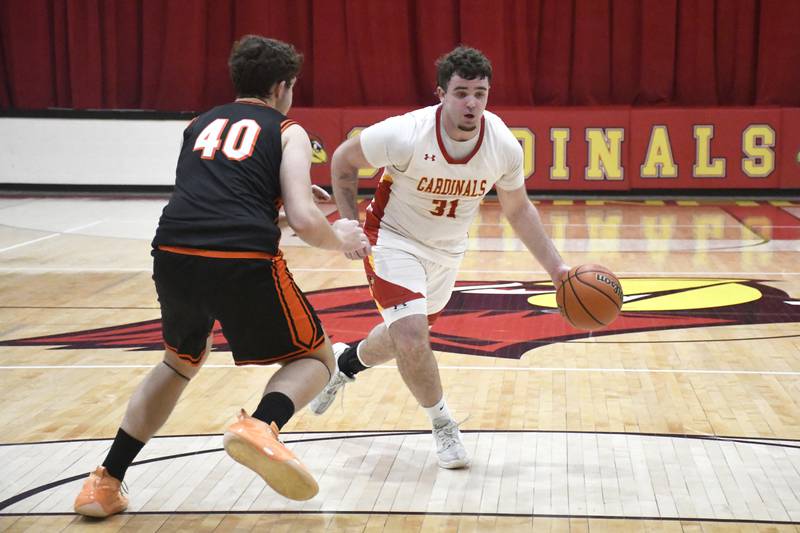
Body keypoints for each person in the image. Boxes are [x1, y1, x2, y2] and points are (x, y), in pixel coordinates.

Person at [73, 35, 369, 517]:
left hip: (173, 251)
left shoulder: (197, 125)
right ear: (282, 86)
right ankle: (261, 425)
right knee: (316, 359)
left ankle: (104, 482)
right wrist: (344, 237)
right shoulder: (287, 130)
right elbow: (305, 221)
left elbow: (212, 198)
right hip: (241, 258)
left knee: (178, 361)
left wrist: (268, 203)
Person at [309, 46, 569, 469]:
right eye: (461, 92)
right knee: (413, 338)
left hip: (447, 252)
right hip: (391, 239)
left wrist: (557, 268)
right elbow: (342, 160)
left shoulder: (502, 144)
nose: (471, 102)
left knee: (400, 340)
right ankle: (443, 425)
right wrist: (349, 222)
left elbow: (518, 209)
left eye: (480, 93)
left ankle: (345, 362)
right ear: (441, 94)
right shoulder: (405, 133)